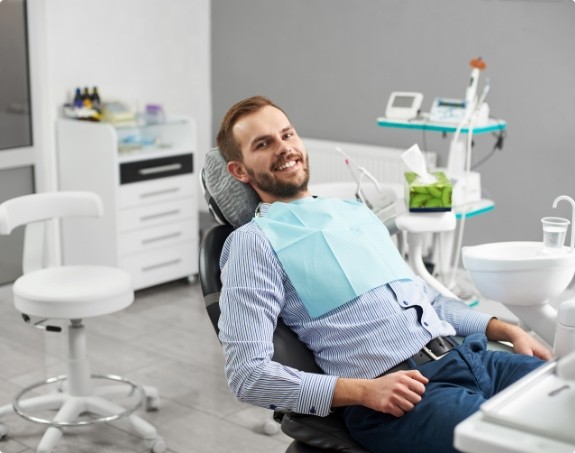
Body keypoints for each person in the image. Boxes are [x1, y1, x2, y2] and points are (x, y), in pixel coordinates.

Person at [215, 95, 552, 453]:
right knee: (525, 446)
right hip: (402, 396)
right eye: (264, 144)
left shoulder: (354, 212)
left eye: (287, 135)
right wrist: (363, 391)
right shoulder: (253, 243)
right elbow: (247, 375)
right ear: (240, 170)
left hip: (471, 357)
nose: (284, 148)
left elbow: (428, 299)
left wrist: (505, 328)